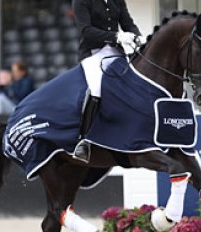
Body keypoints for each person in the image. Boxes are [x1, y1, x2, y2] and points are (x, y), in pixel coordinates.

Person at [72, 0, 146, 162]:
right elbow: (86, 30)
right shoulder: (81, 1)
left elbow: (128, 23)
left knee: (136, 82)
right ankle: (84, 140)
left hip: (115, 52)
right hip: (93, 52)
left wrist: (139, 37)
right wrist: (116, 36)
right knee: (96, 87)